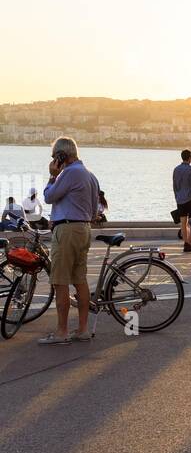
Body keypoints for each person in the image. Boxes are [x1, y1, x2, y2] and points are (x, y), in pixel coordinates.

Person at [38, 136, 100, 345]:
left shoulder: (69, 173)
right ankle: (83, 329)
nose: (54, 161)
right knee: (79, 280)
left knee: (60, 281)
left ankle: (61, 332)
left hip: (67, 231)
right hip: (83, 229)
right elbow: (94, 211)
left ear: (61, 156)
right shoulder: (90, 175)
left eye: (55, 156)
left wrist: (52, 176)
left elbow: (48, 196)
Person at [173, 149, 191, 253]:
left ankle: (186, 243)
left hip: (179, 199)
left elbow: (174, 186)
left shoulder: (176, 169)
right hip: (190, 198)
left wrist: (177, 197)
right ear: (189, 158)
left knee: (183, 222)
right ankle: (188, 243)